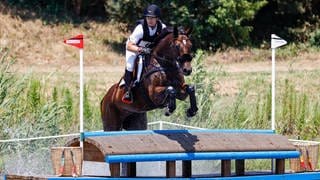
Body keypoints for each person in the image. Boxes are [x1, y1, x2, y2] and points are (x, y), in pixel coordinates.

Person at [122, 4, 166, 104]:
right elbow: (129, 45)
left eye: (152, 18)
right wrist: (142, 50)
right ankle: (127, 91)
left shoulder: (162, 27)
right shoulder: (140, 29)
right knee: (130, 65)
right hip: (134, 48)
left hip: (149, 51)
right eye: (148, 17)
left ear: (157, 18)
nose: (150, 20)